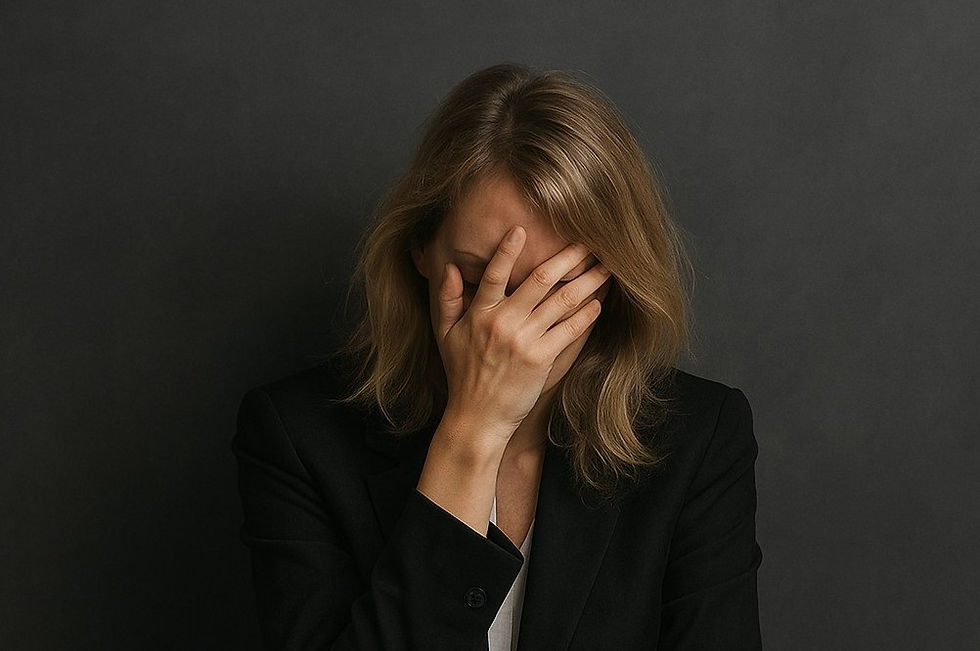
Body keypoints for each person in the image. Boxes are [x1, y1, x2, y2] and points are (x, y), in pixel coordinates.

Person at [232, 62, 763, 650]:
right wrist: (473, 430)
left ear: (612, 283)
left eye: (553, 289)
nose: (509, 329)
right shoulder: (297, 435)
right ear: (420, 251)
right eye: (484, 278)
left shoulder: (699, 437)